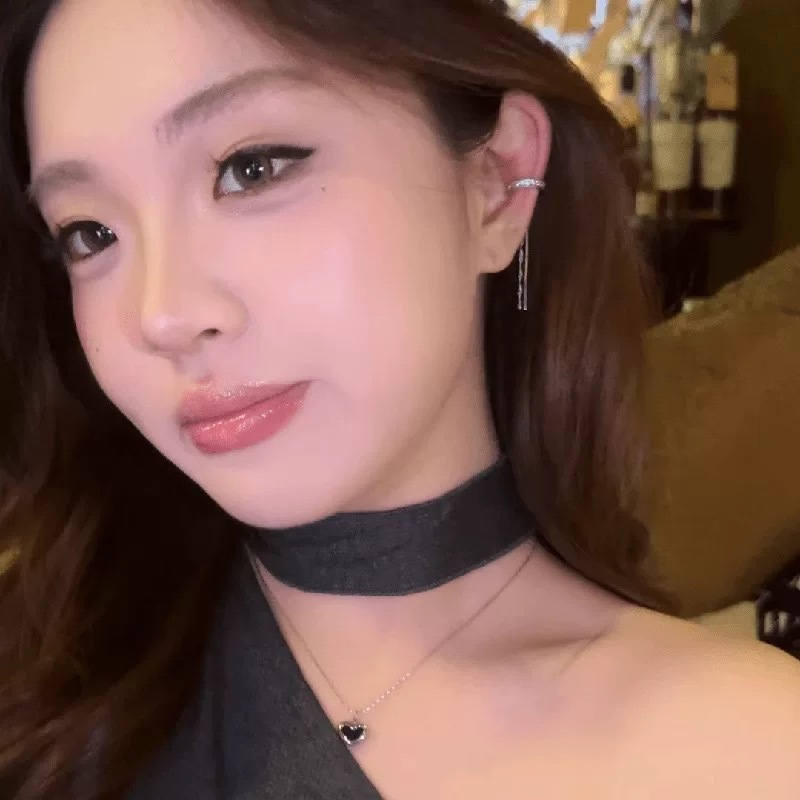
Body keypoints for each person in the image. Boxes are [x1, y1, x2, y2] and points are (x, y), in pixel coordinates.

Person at [0, 0, 798, 798]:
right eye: (89, 234)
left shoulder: (750, 751)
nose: (162, 315)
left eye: (252, 168)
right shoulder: (47, 672)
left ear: (496, 181)